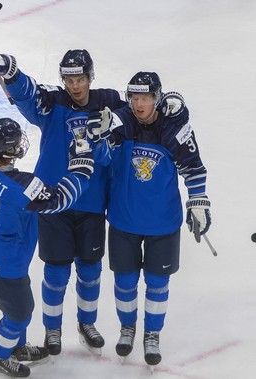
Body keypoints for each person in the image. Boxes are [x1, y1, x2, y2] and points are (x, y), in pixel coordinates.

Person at [0, 49, 126, 356]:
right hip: (52, 201)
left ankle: (87, 323)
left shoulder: (109, 101)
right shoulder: (53, 103)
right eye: (70, 79)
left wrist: (113, 126)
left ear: (90, 77)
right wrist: (11, 73)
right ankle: (53, 328)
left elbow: (132, 118)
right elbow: (28, 94)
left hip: (93, 204)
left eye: (81, 78)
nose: (76, 85)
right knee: (56, 271)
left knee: (90, 270)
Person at [0, 118, 95, 377]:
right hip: (4, 261)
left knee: (16, 302)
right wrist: (82, 169)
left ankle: (16, 345)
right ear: (11, 150)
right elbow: (59, 200)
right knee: (20, 313)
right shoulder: (23, 185)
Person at [88, 71, 211, 366]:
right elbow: (103, 159)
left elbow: (194, 168)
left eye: (145, 98)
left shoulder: (173, 128)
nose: (139, 104)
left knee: (157, 283)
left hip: (163, 224)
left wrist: (198, 202)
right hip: (124, 221)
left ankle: (151, 334)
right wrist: (96, 137)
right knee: (125, 282)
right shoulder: (121, 123)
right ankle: (127, 329)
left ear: (157, 98)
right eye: (134, 98)